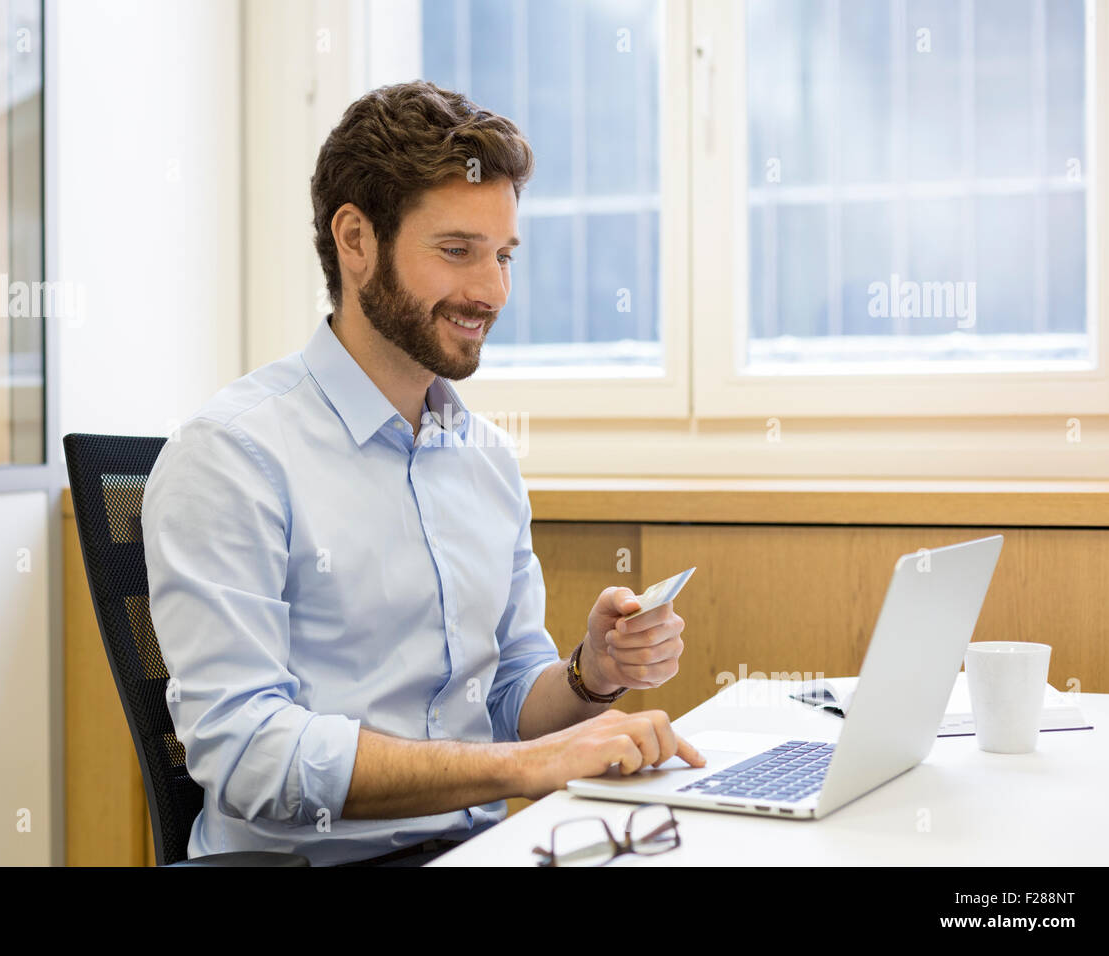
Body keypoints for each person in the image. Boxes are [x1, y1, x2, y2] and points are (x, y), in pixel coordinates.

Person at [142, 79, 703, 867]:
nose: (492, 291)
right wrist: (521, 768)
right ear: (356, 240)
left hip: (481, 849)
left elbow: (509, 698)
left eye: (503, 255)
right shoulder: (233, 457)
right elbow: (248, 754)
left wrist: (589, 677)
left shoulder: (484, 460)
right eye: (456, 251)